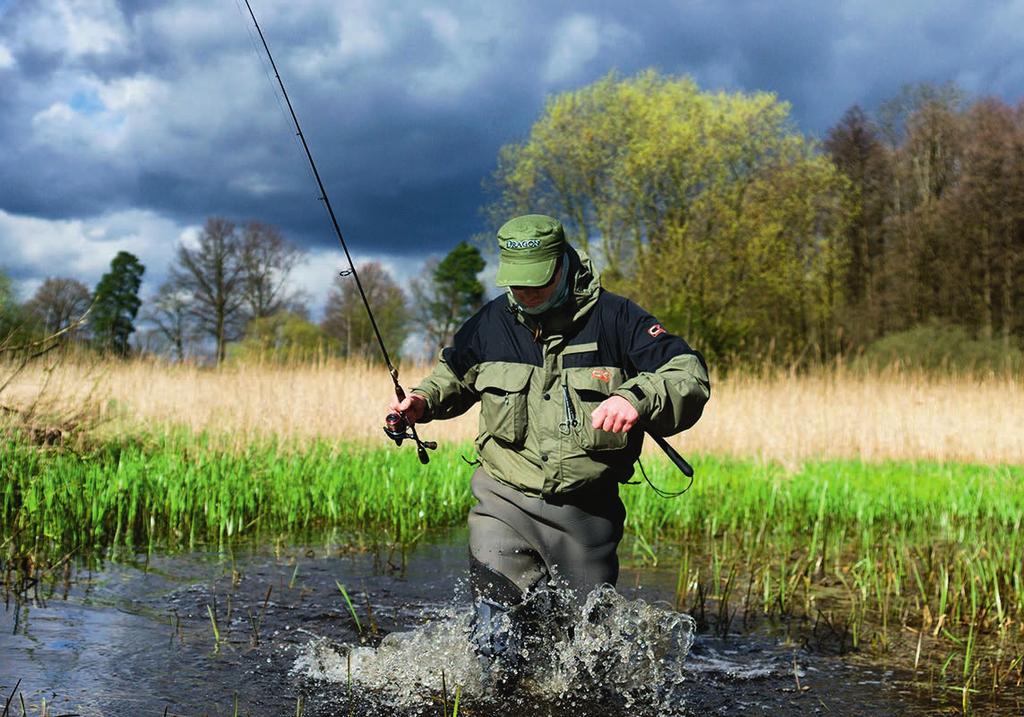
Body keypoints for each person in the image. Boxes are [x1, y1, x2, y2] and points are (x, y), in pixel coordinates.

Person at [388, 214, 710, 674]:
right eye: (516, 283)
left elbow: (689, 376)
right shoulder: (490, 322)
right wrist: (420, 402)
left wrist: (635, 397)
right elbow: (454, 376)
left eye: (536, 281)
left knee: (587, 654)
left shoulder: (617, 318)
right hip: (502, 499)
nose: (525, 293)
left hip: (586, 513)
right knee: (494, 643)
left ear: (562, 264)